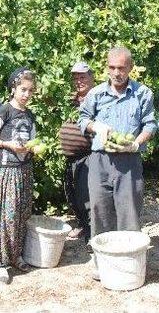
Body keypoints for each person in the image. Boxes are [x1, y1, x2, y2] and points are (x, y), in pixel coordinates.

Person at [78, 46, 157, 279]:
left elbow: (150, 124)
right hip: (100, 160)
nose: (116, 72)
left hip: (129, 160)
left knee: (129, 211)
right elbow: (83, 119)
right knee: (100, 210)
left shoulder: (143, 94)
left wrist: (137, 143)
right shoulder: (96, 94)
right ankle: (101, 261)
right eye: (112, 67)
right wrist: (96, 126)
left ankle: (128, 262)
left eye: (121, 68)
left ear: (130, 68)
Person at [0, 68, 39, 284]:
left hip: (25, 170)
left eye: (30, 91)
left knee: (22, 216)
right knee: (5, 219)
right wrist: (7, 144)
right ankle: (1, 263)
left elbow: (32, 140)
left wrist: (33, 148)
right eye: (22, 89)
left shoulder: (30, 115)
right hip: (7, 171)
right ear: (13, 89)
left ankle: (17, 256)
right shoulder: (4, 111)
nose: (26, 94)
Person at [58, 62, 95, 241]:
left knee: (87, 196)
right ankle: (82, 225)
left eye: (82, 77)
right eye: (76, 78)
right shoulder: (69, 99)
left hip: (88, 156)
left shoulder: (96, 98)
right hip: (70, 157)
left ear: (92, 77)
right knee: (73, 195)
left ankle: (92, 233)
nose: (78, 81)